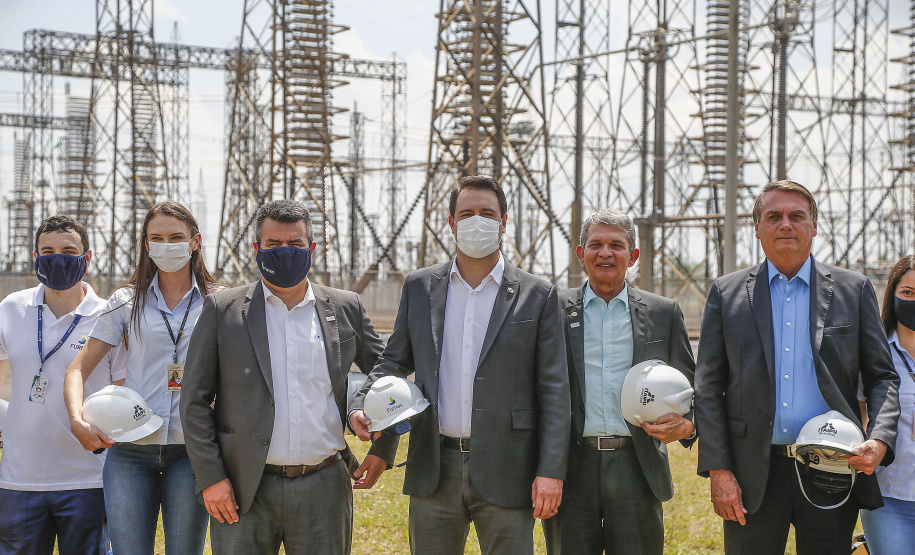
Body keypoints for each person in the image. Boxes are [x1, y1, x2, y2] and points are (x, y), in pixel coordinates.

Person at [349, 175, 571, 555]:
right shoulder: (420, 288)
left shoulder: (538, 295)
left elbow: (554, 390)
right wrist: (362, 404)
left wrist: (550, 470)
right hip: (435, 465)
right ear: (451, 224)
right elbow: (394, 360)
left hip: (508, 466)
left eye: (487, 213)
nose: (477, 221)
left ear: (503, 222)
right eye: (466, 214)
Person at [694, 180, 900, 554]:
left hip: (832, 467)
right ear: (757, 228)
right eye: (774, 216)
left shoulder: (853, 290)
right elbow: (707, 387)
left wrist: (881, 438)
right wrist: (719, 471)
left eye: (796, 216)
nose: (785, 224)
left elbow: (882, 377)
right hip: (751, 473)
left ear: (814, 226)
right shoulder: (727, 293)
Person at [179, 199, 396, 555]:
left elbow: (386, 373)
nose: (285, 252)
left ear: (312, 250)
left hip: (324, 486)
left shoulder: (345, 307)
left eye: (295, 245)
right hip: (243, 488)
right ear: (257, 250)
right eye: (273, 245)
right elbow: (194, 401)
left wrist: (384, 447)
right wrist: (212, 478)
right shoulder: (223, 310)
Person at [64, 201, 218, 555]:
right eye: (157, 238)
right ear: (146, 245)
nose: (167, 245)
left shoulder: (218, 302)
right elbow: (77, 369)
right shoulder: (125, 301)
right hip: (129, 454)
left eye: (176, 237)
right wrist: (77, 421)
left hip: (192, 453)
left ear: (195, 241)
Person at [542, 209, 696, 555]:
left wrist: (687, 425)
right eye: (595, 244)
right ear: (581, 254)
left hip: (637, 468)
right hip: (571, 467)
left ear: (633, 256)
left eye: (616, 245)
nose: (606, 253)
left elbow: (692, 388)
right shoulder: (552, 309)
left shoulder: (663, 313)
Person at [0, 216, 112, 555]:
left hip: (88, 480)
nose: (57, 258)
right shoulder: (11, 308)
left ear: (87, 258)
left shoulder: (108, 315)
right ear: (36, 258)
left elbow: (123, 389)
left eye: (68, 250)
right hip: (19, 481)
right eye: (47, 251)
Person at [860, 255, 915, 555]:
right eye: (907, 292)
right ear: (892, 296)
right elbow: (859, 417)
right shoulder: (874, 354)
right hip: (889, 500)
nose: (914, 300)